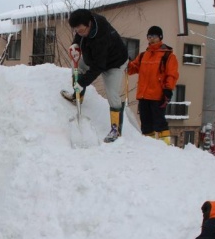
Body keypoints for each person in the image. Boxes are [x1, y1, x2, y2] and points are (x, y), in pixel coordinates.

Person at [62, 9, 128, 143]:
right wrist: (75, 44)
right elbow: (80, 36)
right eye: (77, 31)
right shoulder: (86, 23)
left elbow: (99, 67)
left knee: (112, 94)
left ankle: (116, 130)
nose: (79, 33)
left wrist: (82, 83)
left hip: (114, 63)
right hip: (95, 58)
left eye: (81, 31)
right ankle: (77, 97)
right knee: (78, 66)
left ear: (89, 24)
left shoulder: (101, 36)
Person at [126, 26, 179, 144]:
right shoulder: (143, 55)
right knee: (145, 123)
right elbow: (132, 69)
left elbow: (172, 74)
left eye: (154, 36)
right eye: (149, 37)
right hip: (143, 95)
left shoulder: (168, 56)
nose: (151, 39)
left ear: (160, 37)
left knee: (159, 122)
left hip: (158, 95)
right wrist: (126, 62)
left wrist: (168, 89)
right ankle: (149, 146)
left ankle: (165, 146)